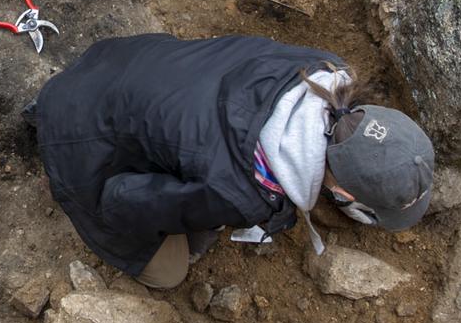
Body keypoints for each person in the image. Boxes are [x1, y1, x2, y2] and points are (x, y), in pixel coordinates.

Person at [28, 33, 435, 289]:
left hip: (120, 59)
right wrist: (198, 213)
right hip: (74, 130)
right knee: (170, 272)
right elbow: (119, 200)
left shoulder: (321, 68)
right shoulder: (243, 193)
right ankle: (44, 135)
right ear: (344, 193)